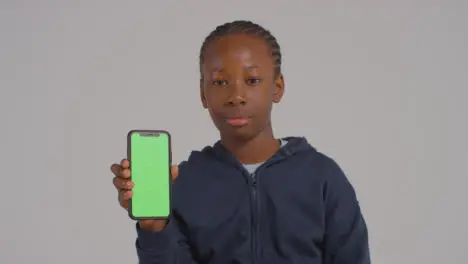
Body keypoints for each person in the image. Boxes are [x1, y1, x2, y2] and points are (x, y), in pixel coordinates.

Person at [111, 20, 371, 264]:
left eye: (252, 80)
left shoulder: (322, 177)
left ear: (277, 88)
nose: (236, 96)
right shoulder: (183, 182)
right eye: (220, 82)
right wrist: (155, 228)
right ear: (203, 94)